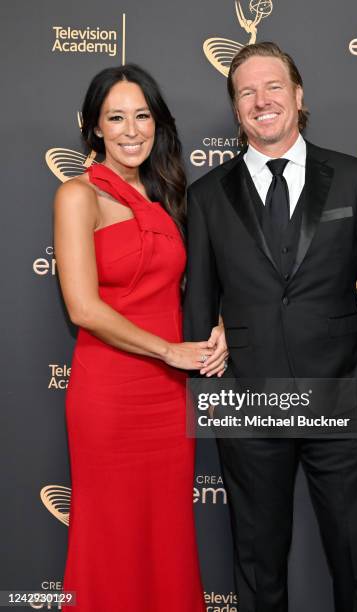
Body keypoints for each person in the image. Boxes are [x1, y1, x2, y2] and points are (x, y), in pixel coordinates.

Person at [183, 42, 357, 612]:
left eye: (273, 86)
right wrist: (218, 400)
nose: (261, 101)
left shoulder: (353, 178)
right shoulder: (206, 197)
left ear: (299, 96)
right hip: (249, 411)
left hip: (341, 402)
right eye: (246, 92)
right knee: (257, 571)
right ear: (235, 110)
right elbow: (199, 312)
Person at [54, 63, 227, 612]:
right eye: (116, 117)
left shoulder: (163, 196)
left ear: (158, 123)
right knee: (110, 539)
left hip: (168, 400)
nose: (132, 130)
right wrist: (170, 350)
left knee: (166, 539)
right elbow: (83, 308)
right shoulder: (78, 196)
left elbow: (186, 289)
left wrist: (218, 325)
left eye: (142, 116)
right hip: (110, 395)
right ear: (94, 127)